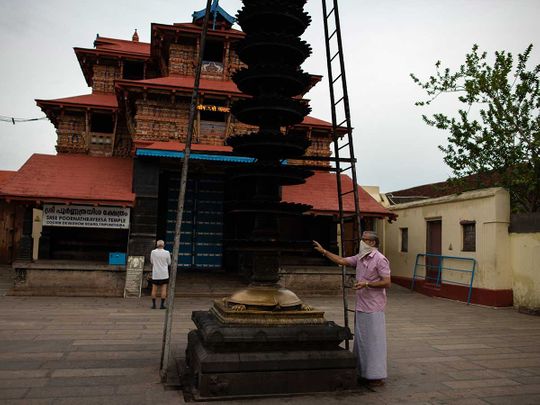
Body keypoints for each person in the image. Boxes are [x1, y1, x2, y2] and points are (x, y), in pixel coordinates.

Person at [313, 231, 391, 387]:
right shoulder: (361, 258)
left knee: (374, 342)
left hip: (374, 307)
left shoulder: (380, 260)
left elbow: (387, 282)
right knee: (362, 341)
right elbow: (342, 260)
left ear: (372, 243)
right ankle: (363, 372)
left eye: (365, 240)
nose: (361, 242)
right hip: (362, 305)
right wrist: (324, 252)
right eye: (361, 239)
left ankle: (376, 376)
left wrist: (367, 284)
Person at [150, 240, 171, 309]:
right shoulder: (167, 252)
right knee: (164, 289)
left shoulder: (153, 252)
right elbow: (169, 263)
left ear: (157, 245)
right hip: (164, 274)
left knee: (154, 289)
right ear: (163, 245)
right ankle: (162, 305)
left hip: (155, 274)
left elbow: (151, 261)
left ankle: (154, 305)